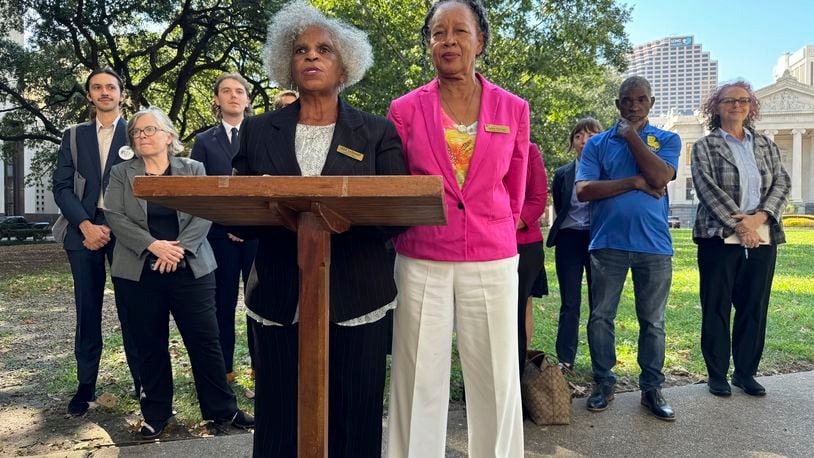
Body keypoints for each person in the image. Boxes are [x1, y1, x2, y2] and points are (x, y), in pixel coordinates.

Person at [231, 1, 407, 456]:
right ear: (286, 66)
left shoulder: (376, 133)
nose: (311, 56)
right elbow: (233, 215)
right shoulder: (255, 131)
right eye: (301, 50)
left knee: (355, 418)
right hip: (277, 295)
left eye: (324, 49)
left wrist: (332, 217)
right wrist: (260, 200)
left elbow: (398, 213)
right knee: (278, 421)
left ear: (344, 65)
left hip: (357, 296)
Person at [386, 0, 529, 455]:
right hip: (422, 253)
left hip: (492, 255)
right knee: (417, 375)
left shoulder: (513, 108)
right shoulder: (405, 110)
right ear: (429, 43)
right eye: (437, 32)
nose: (448, 41)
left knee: (495, 376)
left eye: (459, 31)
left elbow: (516, 186)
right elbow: (399, 184)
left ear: (480, 41)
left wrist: (494, 226)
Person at [104, 107, 254, 439]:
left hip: (192, 269)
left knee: (205, 341)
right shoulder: (120, 173)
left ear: (169, 137)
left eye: (149, 130)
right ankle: (156, 413)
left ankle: (222, 410)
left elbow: (203, 213)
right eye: (137, 132)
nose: (141, 136)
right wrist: (154, 246)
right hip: (139, 270)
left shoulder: (193, 169)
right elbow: (115, 215)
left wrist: (179, 249)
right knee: (148, 343)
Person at [576, 76, 680, 421]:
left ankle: (651, 389)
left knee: (653, 322)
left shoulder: (668, 139)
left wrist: (632, 137)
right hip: (608, 245)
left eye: (640, 99)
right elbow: (585, 190)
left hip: (654, 247)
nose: (633, 105)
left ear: (650, 102)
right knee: (600, 318)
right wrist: (634, 182)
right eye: (626, 100)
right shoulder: (597, 144)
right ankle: (604, 383)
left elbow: (661, 177)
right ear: (618, 104)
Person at [691, 81, 790, 397]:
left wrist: (759, 218)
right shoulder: (705, 146)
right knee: (716, 305)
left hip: (764, 234)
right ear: (716, 106)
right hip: (718, 235)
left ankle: (746, 373)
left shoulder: (765, 145)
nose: (737, 105)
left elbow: (781, 184)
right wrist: (741, 225)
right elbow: (707, 189)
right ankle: (717, 374)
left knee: (754, 305)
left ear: (751, 106)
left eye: (743, 100)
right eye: (729, 100)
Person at [51, 67, 140, 416]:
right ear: (89, 95)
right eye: (97, 88)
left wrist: (116, 226)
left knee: (133, 310)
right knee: (87, 311)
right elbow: (61, 186)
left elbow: (145, 184)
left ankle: (143, 383)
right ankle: (85, 385)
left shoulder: (137, 133)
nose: (104, 92)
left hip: (127, 234)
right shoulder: (73, 136)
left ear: (121, 94)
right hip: (83, 233)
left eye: (111, 87)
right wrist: (86, 225)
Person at [190, 73, 258, 388]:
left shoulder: (263, 134)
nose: (233, 96)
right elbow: (200, 193)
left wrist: (247, 224)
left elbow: (268, 183)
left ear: (247, 99)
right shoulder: (204, 141)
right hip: (219, 236)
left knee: (259, 301)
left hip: (258, 234)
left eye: (239, 91)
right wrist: (229, 223)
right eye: (226, 91)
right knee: (223, 302)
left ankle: (262, 367)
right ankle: (224, 369)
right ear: (216, 99)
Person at [547, 118, 603, 369]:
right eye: (579, 136)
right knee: (570, 302)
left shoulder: (608, 172)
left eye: (590, 136)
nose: (584, 141)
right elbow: (560, 206)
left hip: (598, 238)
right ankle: (565, 359)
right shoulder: (562, 174)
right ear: (572, 142)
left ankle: (599, 360)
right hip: (569, 238)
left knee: (599, 303)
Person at [516, 142, 547, 377]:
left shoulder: (530, 150)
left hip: (522, 244)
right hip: (481, 245)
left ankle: (515, 381)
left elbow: (537, 199)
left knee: (517, 313)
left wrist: (502, 228)